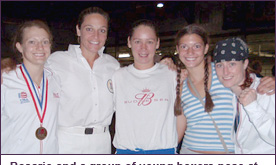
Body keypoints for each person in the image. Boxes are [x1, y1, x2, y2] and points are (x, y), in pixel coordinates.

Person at [175, 24, 275, 154]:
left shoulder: (223, 74)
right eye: (184, 46)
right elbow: (178, 130)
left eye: (197, 46)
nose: (190, 52)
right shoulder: (180, 83)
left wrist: (272, 81)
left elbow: (249, 80)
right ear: (177, 49)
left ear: (205, 48)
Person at [45, 7, 120, 154]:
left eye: (102, 30)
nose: (96, 36)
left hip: (102, 141)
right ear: (78, 30)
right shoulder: (57, 61)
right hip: (67, 141)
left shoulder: (113, 66)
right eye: (89, 29)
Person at [112, 19, 186, 154]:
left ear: (157, 43)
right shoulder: (117, 77)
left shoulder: (172, 74)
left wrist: (171, 147)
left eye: (150, 42)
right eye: (137, 41)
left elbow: (181, 114)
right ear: (129, 42)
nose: (143, 48)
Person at [1, 20, 60, 154]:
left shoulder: (55, 79)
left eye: (45, 42)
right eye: (32, 42)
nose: (40, 47)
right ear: (20, 47)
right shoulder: (5, 80)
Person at [214, 37, 275, 154]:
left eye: (232, 64)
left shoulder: (267, 91)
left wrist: (253, 107)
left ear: (245, 63)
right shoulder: (226, 93)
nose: (225, 72)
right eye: (220, 65)